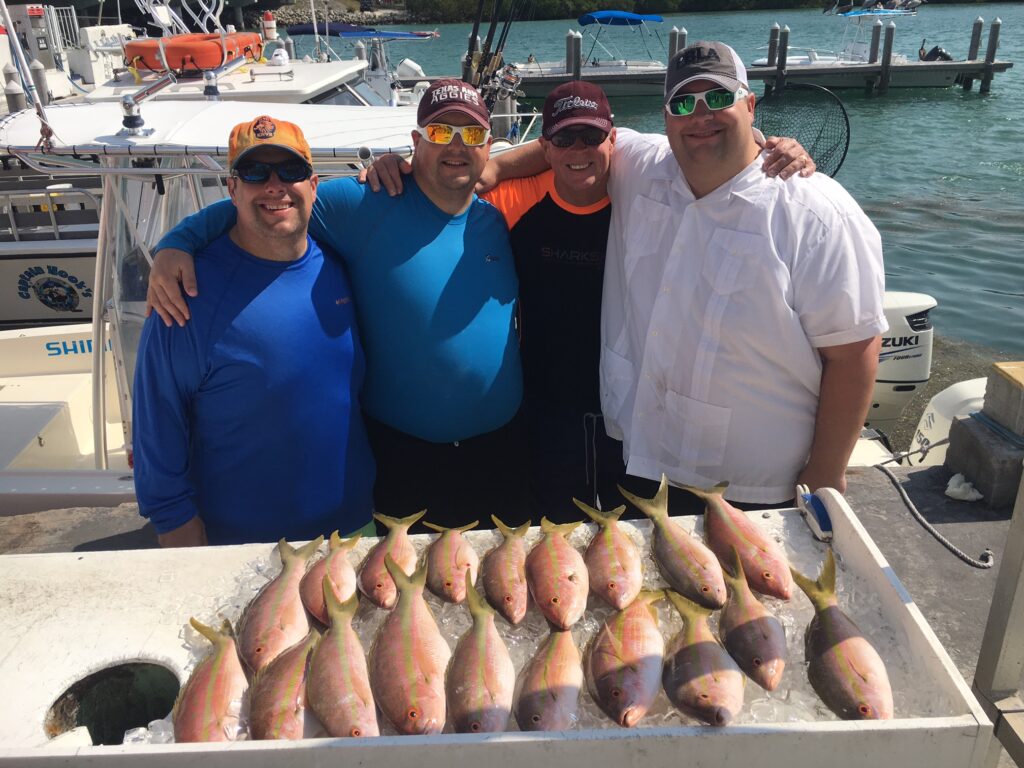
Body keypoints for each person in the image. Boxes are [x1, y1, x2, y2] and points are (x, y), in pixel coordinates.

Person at [362, 80, 816, 519]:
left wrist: (763, 148)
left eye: (591, 136)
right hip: (544, 410)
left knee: (637, 541)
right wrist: (398, 168)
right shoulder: (512, 200)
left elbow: (711, 158)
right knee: (556, 542)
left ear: (613, 139)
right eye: (564, 138)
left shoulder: (645, 191)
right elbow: (443, 202)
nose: (578, 150)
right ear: (547, 145)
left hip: (634, 412)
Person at [145, 81, 527, 528]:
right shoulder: (365, 202)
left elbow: (570, 158)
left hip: (503, 448)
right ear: (415, 142)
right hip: (406, 456)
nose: (457, 146)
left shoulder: (497, 216)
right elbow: (274, 204)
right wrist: (178, 241)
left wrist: (504, 169)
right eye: (441, 133)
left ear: (489, 146)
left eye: (472, 135)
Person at [600, 41, 887, 508]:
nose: (700, 116)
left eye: (717, 99)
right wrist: (489, 170)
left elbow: (855, 350)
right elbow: (568, 145)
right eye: (683, 103)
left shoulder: (817, 212)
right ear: (665, 115)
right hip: (642, 454)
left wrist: (825, 477)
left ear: (750, 104)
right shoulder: (641, 165)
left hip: (752, 488)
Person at [132, 116, 375, 546]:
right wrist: (179, 536)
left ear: (314, 184)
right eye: (255, 173)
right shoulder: (185, 291)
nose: (274, 186)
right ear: (232, 189)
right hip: (243, 545)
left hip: (354, 529)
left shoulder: (341, 262)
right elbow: (157, 423)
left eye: (291, 172)